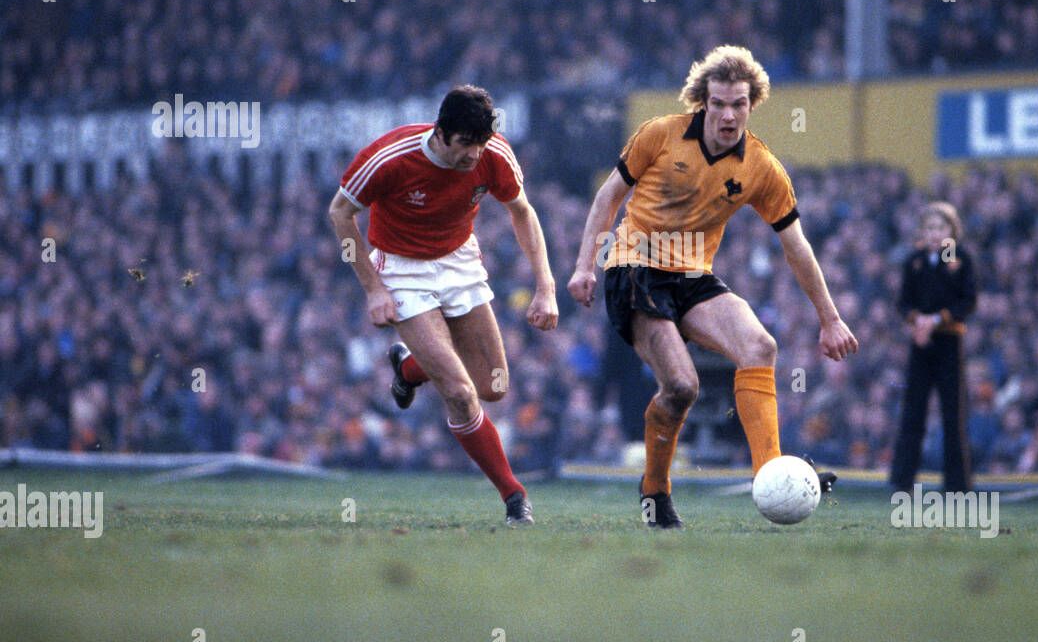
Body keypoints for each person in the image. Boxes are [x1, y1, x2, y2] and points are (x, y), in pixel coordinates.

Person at [567, 45, 858, 528]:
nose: (727, 114)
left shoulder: (761, 167)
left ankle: (772, 475)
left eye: (738, 104)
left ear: (752, 104)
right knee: (682, 387)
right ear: (702, 101)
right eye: (718, 103)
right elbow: (608, 196)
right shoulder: (660, 135)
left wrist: (829, 318)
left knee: (760, 345)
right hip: (634, 268)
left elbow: (797, 246)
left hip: (692, 277)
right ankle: (654, 492)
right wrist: (583, 267)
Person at [327, 85, 558, 526]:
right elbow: (340, 213)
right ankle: (515, 496)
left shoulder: (494, 154)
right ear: (441, 133)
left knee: (493, 387)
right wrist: (374, 289)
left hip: (460, 263)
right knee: (459, 392)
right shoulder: (390, 157)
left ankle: (409, 369)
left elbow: (523, 211)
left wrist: (545, 286)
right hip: (402, 269)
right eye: (466, 144)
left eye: (482, 142)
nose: (475, 154)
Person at [891, 201, 977, 493]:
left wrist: (937, 319)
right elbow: (903, 302)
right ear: (922, 231)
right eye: (930, 227)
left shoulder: (958, 258)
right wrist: (917, 321)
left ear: (952, 230)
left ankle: (957, 484)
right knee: (913, 411)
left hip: (949, 341)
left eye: (941, 227)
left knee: (952, 414)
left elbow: (967, 301)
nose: (935, 233)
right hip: (920, 342)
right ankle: (902, 481)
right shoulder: (913, 260)